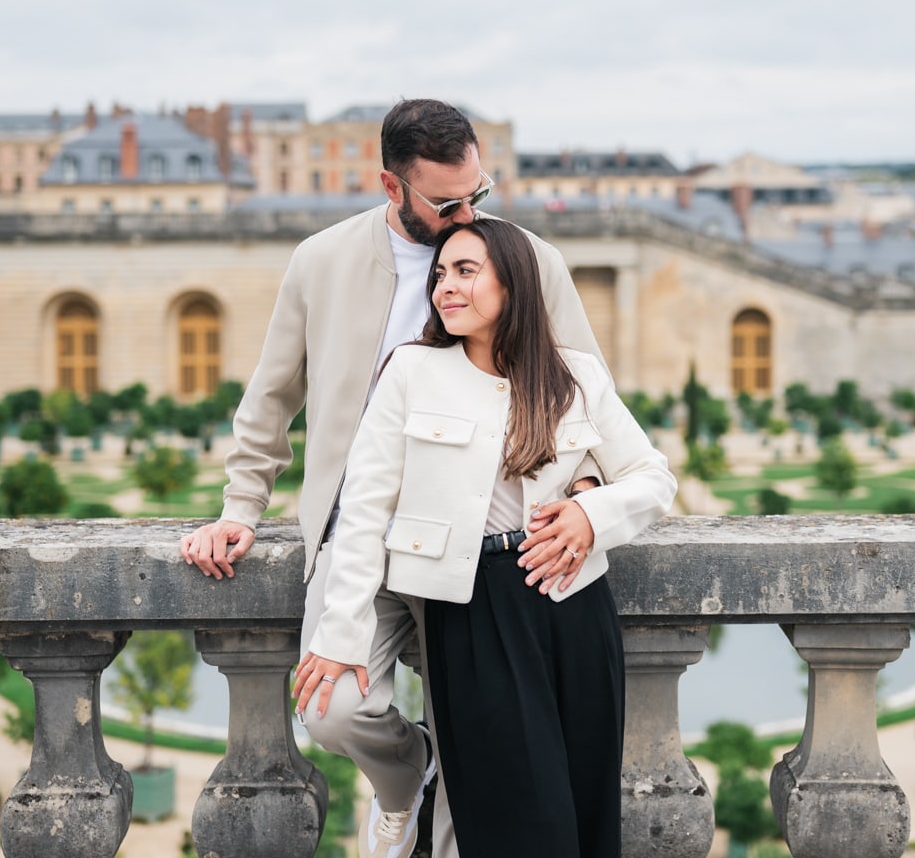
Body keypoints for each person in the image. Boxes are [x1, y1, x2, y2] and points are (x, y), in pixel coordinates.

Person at [180, 99, 603, 858]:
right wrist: (241, 504)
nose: (467, 212)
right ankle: (409, 775)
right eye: (447, 203)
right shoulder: (321, 260)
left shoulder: (532, 260)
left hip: (482, 549)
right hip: (363, 536)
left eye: (479, 192)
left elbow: (584, 384)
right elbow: (272, 393)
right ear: (389, 184)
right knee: (335, 711)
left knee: (481, 748)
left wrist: (586, 494)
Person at [297, 219, 676, 857]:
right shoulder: (411, 370)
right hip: (470, 610)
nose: (446, 286)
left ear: (514, 283)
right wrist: (341, 636)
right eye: (440, 274)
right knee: (515, 820)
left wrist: (591, 514)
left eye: (465, 271)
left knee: (584, 812)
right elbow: (364, 509)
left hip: (572, 607)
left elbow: (652, 477)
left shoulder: (576, 375)